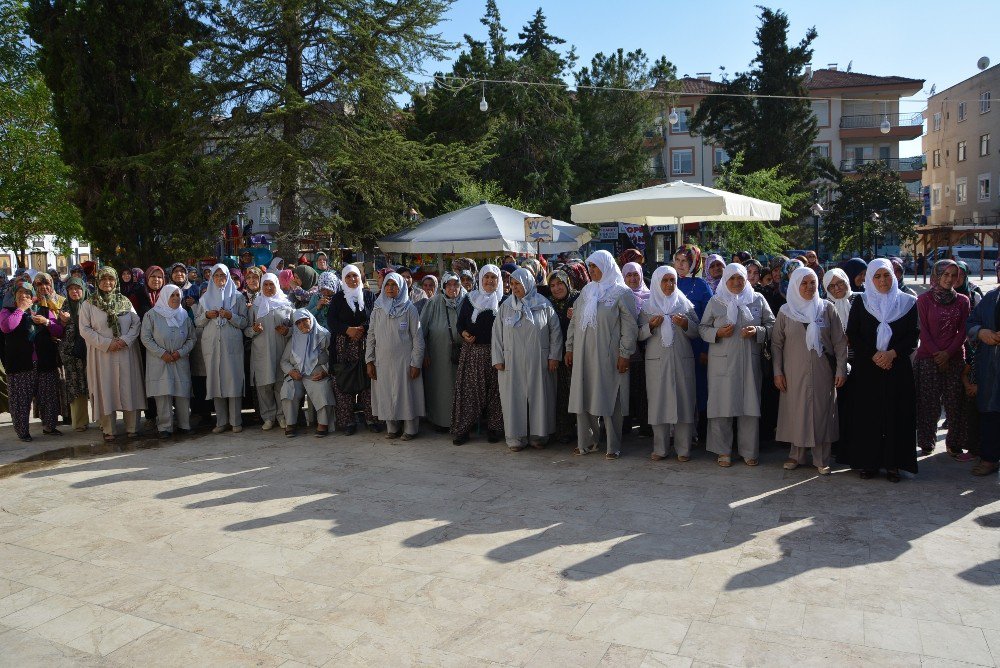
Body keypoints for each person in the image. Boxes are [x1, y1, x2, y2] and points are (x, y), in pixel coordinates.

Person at [845, 258, 919, 482]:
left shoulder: (907, 302)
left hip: (897, 368)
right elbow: (853, 333)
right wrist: (874, 354)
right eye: (877, 276)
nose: (883, 280)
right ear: (869, 279)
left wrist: (891, 354)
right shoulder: (861, 302)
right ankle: (869, 462)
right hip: (868, 368)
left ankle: (894, 463)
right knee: (869, 415)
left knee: (896, 413)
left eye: (886, 275)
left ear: (894, 276)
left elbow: (913, 336)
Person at [772, 267, 848, 474]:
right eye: (804, 283)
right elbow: (776, 344)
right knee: (796, 411)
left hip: (823, 372)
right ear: (796, 285)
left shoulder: (827, 309)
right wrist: (777, 371)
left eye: (813, 282)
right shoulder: (786, 312)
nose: (809, 287)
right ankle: (796, 455)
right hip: (793, 372)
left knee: (822, 412)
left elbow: (840, 342)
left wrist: (841, 369)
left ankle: (821, 459)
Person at [699, 263, 775, 467]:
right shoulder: (716, 301)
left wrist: (757, 331)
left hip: (749, 362)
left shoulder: (756, 299)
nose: (736, 282)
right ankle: (723, 451)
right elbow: (702, 327)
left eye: (740, 278)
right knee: (722, 406)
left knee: (749, 406)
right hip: (721, 364)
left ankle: (749, 451)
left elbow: (772, 325)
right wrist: (717, 333)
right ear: (725, 280)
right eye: (731, 278)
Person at [566, 250, 638, 459]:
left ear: (606, 266)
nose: (592, 271)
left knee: (610, 397)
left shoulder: (621, 292)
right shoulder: (587, 291)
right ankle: (587, 442)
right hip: (583, 355)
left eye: (595, 266)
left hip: (608, 355)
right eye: (590, 267)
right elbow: (574, 321)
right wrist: (569, 347)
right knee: (583, 395)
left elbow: (630, 327)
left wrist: (625, 353)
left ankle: (613, 445)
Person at [492, 268, 562, 451]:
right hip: (511, 362)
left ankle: (539, 436)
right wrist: (498, 358)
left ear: (528, 284)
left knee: (540, 397)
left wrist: (554, 356)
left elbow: (555, 333)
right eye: (512, 284)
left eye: (518, 284)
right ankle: (516, 437)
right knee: (513, 398)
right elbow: (497, 336)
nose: (514, 288)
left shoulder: (544, 305)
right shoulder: (505, 307)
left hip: (539, 361)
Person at [639, 266, 700, 461]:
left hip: (682, 360)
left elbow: (697, 331)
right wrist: (650, 326)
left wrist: (685, 325)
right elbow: (637, 334)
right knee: (658, 403)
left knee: (683, 401)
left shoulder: (685, 305)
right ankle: (660, 448)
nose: (669, 285)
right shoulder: (647, 307)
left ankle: (683, 449)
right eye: (664, 281)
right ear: (657, 282)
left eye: (672, 280)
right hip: (657, 362)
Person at [79, 267, 146, 441]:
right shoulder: (89, 304)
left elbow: (136, 323)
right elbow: (84, 329)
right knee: (105, 389)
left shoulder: (125, 302)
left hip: (126, 352)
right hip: (102, 354)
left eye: (111, 279)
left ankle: (132, 427)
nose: (107, 282)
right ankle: (109, 429)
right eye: (103, 279)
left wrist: (125, 340)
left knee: (129, 387)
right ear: (97, 281)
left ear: (116, 281)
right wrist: (108, 343)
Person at [915, 260, 970, 456]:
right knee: (928, 402)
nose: (949, 279)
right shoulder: (923, 300)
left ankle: (954, 442)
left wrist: (948, 353)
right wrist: (938, 354)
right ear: (936, 275)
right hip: (929, 358)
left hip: (954, 357)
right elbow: (922, 331)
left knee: (955, 402)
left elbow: (963, 330)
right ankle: (927, 441)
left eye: (953, 275)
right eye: (945, 274)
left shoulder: (963, 300)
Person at [1, 283, 64, 442]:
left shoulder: (43, 309)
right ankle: (23, 431)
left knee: (48, 395)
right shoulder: (7, 311)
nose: (24, 296)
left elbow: (58, 331)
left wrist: (46, 322)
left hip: (44, 360)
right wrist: (21, 309)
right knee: (20, 399)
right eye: (20, 294)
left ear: (33, 296)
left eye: (28, 294)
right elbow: (7, 327)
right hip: (20, 363)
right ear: (14, 296)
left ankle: (49, 426)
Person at [366, 272, 424, 440]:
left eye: (394, 285)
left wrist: (416, 363)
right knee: (386, 393)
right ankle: (392, 428)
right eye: (388, 285)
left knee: (406, 394)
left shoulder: (409, 309)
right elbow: (371, 336)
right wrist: (369, 360)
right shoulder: (378, 309)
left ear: (401, 287)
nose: (391, 288)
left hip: (405, 361)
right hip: (382, 361)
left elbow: (418, 338)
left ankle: (411, 429)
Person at [451, 265, 505, 445]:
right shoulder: (470, 298)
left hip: (496, 353)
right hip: (472, 353)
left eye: (493, 277)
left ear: (499, 280)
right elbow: (460, 324)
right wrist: (464, 334)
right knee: (469, 392)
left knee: (496, 393)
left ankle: (494, 429)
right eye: (486, 277)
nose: (490, 281)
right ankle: (463, 430)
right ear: (480, 279)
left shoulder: (504, 302)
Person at [195, 264, 249, 433]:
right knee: (215, 381)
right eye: (216, 276)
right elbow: (197, 322)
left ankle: (235, 421)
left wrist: (230, 315)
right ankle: (221, 421)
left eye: (223, 276)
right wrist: (206, 315)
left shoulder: (238, 297)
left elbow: (244, 322)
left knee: (233, 380)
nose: (220, 279)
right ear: (211, 278)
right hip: (211, 343)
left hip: (231, 343)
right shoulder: (204, 299)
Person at [140, 284, 195, 438]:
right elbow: (145, 337)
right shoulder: (152, 315)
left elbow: (191, 338)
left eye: (178, 295)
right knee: (163, 393)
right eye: (172, 295)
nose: (176, 298)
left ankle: (185, 424)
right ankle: (165, 427)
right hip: (160, 361)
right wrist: (161, 353)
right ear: (164, 296)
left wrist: (181, 352)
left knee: (182, 393)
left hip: (180, 359)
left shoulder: (184, 315)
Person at [327, 264, 377, 435]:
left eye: (355, 276)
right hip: (343, 348)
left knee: (368, 382)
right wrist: (347, 330)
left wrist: (361, 329)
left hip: (365, 346)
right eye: (348, 276)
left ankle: (372, 418)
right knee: (344, 382)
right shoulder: (338, 298)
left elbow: (375, 317)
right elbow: (331, 321)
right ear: (343, 279)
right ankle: (348, 421)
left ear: (361, 277)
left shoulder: (369, 296)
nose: (352, 279)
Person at [674, 245, 714, 439]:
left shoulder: (701, 286)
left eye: (685, 261)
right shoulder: (669, 281)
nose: (680, 265)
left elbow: (709, 319)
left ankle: (704, 431)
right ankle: (680, 432)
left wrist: (706, 349)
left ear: (694, 263)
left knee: (700, 387)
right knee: (678, 387)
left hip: (697, 345)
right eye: (677, 260)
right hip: (675, 345)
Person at [246, 274, 293, 430]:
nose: (268, 288)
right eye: (265, 285)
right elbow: (246, 331)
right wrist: (253, 330)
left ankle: (282, 416)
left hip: (281, 351)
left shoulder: (286, 305)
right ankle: (268, 417)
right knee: (264, 385)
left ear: (276, 285)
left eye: (271, 284)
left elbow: (295, 329)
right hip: (261, 352)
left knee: (280, 384)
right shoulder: (255, 306)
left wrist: (287, 331)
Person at [419, 272, 465, 432]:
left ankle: (462, 421)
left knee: (463, 389)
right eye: (449, 285)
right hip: (439, 357)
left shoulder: (467, 301)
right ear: (444, 287)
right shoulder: (433, 303)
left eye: (456, 285)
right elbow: (421, 332)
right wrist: (424, 354)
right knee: (440, 389)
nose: (453, 288)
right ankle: (441, 421)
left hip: (463, 356)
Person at [281, 309, 335, 437]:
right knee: (288, 389)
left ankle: (323, 423)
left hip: (317, 374)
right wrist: (291, 371)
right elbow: (284, 361)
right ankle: (291, 423)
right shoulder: (294, 338)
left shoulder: (323, 335)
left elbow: (334, 357)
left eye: (304, 320)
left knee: (323, 389)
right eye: (298, 322)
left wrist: (326, 372)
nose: (302, 325)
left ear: (310, 318)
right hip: (297, 375)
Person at [967, 277, 1000, 476]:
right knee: (990, 412)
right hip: (990, 366)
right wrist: (981, 332)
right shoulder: (991, 297)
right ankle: (990, 459)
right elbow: (971, 321)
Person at [547, 270, 579, 443]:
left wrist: (578, 315)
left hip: (576, 354)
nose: (556, 288)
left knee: (576, 392)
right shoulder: (548, 304)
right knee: (560, 394)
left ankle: (581, 430)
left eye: (560, 283)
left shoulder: (578, 299)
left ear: (567, 283)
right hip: (556, 356)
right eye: (552, 285)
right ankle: (563, 431)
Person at [57, 277, 91, 431]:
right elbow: (57, 332)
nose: (74, 291)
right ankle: (80, 422)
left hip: (91, 352)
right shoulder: (64, 307)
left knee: (95, 386)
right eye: (71, 289)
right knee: (76, 387)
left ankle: (103, 421)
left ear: (83, 289)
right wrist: (62, 322)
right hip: (71, 354)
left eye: (77, 288)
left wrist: (75, 320)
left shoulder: (91, 305)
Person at [622, 261, 650, 438]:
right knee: (624, 388)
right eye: (628, 275)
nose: (632, 279)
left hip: (647, 348)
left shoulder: (651, 296)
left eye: (635, 275)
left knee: (643, 389)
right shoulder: (618, 296)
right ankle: (623, 426)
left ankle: (646, 426)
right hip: (625, 349)